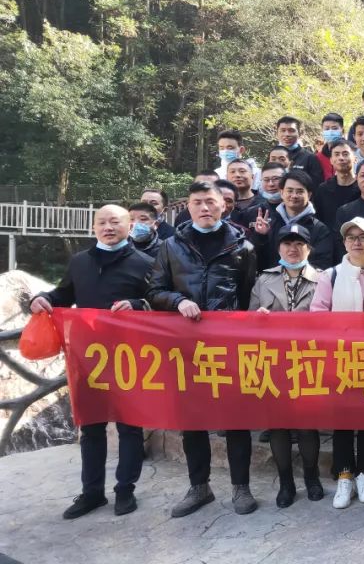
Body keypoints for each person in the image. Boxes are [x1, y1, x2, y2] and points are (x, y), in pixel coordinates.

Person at [30, 205, 153, 519]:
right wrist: (42, 298)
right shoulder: (80, 262)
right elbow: (62, 294)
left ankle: (125, 490)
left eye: (115, 222)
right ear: (94, 227)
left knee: (130, 427)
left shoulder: (145, 263)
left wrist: (138, 304)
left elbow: (159, 301)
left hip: (129, 358)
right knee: (91, 427)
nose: (108, 227)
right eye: (102, 222)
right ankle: (92, 493)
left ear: (129, 226)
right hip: (87, 357)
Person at [147, 181, 258, 517]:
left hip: (229, 346)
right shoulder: (171, 246)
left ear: (223, 205)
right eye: (197, 202)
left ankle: (241, 487)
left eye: (210, 201)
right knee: (192, 419)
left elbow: (247, 295)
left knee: (236, 419)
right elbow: (154, 291)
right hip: (187, 346)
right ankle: (199, 487)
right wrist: (177, 300)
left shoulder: (243, 247)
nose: (204, 207)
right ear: (188, 207)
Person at [248, 225, 324, 508]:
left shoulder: (322, 279)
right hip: (273, 361)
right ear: (278, 248)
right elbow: (248, 318)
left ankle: (312, 478)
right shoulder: (264, 279)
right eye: (287, 243)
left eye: (299, 244)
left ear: (309, 248)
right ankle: (286, 483)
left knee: (307, 425)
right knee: (278, 425)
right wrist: (258, 317)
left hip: (308, 360)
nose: (293, 249)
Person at [311, 217, 364, 508]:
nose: (357, 242)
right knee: (342, 419)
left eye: (363, 236)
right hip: (341, 357)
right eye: (351, 237)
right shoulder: (331, 276)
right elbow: (318, 315)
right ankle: (344, 474)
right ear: (344, 243)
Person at [251, 169, 334, 270]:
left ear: (309, 195)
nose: (294, 196)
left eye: (300, 191)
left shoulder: (319, 228)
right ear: (282, 193)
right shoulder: (270, 223)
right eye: (290, 191)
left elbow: (322, 264)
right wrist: (261, 237)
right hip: (271, 278)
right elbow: (256, 261)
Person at [313, 139, 361, 223]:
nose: (341, 158)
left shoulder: (363, 187)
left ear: (355, 159)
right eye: (337, 154)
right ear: (331, 160)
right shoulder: (323, 189)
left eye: (345, 154)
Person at [276, 116, 325, 182]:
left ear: (300, 133)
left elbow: (316, 184)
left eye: (291, 130)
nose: (287, 134)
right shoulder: (272, 156)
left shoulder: (310, 158)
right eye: (283, 130)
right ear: (277, 133)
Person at [313, 112, 346, 181]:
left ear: (342, 131)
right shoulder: (317, 158)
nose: (330, 132)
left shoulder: (352, 153)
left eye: (334, 128)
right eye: (327, 129)